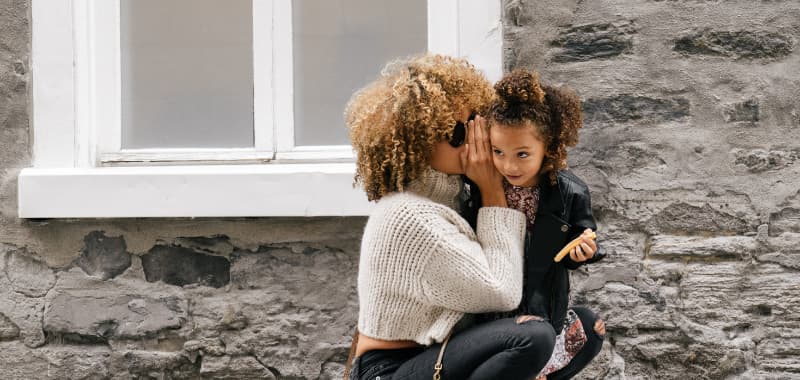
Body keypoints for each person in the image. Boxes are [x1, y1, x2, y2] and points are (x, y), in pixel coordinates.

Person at [344, 55, 556, 380]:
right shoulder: (409, 215)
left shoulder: (449, 201)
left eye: (478, 124)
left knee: (581, 329)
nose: (475, 140)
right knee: (532, 338)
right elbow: (501, 290)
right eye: (459, 132)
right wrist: (492, 190)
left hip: (435, 358)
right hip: (390, 370)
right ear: (418, 139)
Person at [464, 68, 607, 379]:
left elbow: (584, 235)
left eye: (523, 154)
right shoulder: (479, 184)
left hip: (540, 300)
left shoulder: (570, 192)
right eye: (497, 151)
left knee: (566, 340)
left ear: (549, 148)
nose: (509, 165)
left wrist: (584, 251)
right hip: (492, 297)